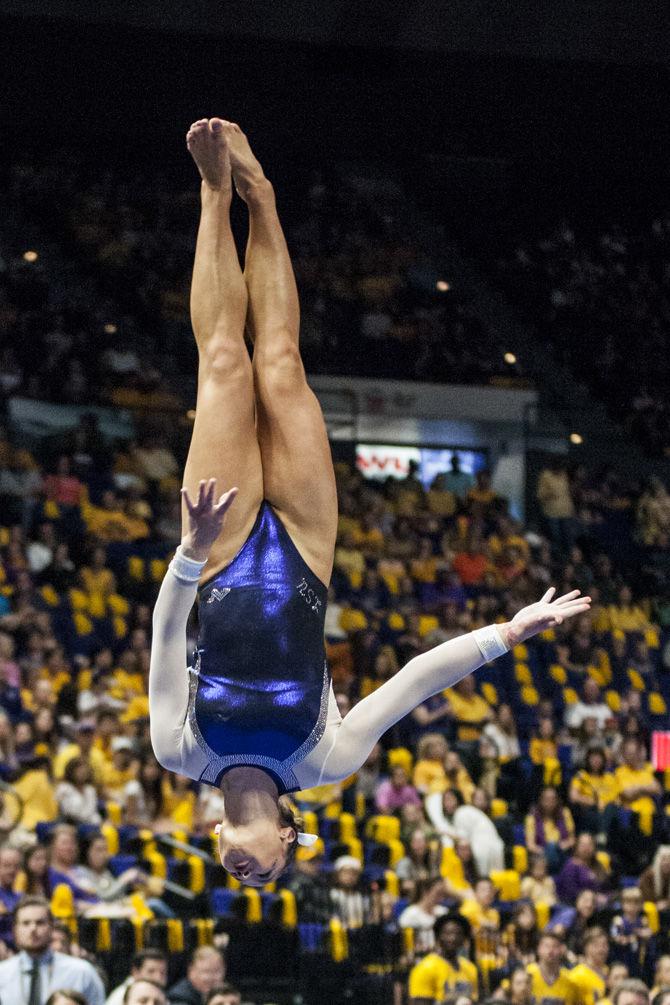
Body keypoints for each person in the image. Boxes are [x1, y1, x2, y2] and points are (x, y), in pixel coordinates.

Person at [148, 116, 592, 884]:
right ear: (290, 842)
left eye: (234, 877)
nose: (241, 873)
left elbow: (163, 636)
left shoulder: (182, 750)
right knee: (280, 363)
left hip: (212, 552)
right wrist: (508, 632)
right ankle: (264, 193)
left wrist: (189, 552)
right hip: (305, 548)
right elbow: (414, 678)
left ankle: (215, 193)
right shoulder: (323, 759)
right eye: (262, 876)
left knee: (224, 364)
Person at [0, 897, 105, 1005]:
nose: (33, 929)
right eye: (26, 923)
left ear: (51, 927)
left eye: (40, 923)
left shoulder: (81, 973)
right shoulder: (2, 974)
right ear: (15, 929)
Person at [426, 788, 505, 876]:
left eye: (450, 799)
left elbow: (462, 839)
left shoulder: (461, 812)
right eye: (445, 801)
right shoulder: (468, 810)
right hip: (495, 847)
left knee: (485, 881)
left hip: (483, 849)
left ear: (458, 799)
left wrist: (443, 832)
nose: (447, 804)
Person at [408, 913, 478, 1004]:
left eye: (458, 934)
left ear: (464, 939)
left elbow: (475, 1000)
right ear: (438, 936)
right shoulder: (425, 968)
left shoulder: (470, 968)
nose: (453, 938)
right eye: (447, 933)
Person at [526, 931, 581, 1005]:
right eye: (546, 946)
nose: (550, 951)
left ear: (561, 950)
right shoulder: (527, 973)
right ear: (538, 949)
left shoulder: (570, 980)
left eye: (555, 946)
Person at [569, 927, 610, 1005]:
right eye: (596, 945)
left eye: (604, 945)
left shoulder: (609, 972)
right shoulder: (577, 975)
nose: (601, 949)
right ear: (586, 947)